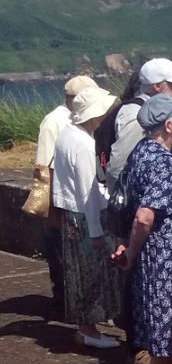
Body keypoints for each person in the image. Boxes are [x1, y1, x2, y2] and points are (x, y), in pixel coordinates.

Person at [113, 94, 172, 364]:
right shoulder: (162, 161)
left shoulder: (141, 150)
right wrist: (131, 253)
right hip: (163, 250)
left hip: (153, 250)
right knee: (167, 316)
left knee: (161, 314)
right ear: (168, 125)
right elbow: (145, 216)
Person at [51, 86, 123, 349]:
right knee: (92, 273)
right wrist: (96, 232)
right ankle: (88, 329)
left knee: (78, 272)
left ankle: (87, 327)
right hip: (84, 217)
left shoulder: (67, 134)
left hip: (72, 215)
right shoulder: (83, 144)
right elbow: (88, 191)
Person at [34, 75, 97, 312]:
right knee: (59, 250)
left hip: (77, 196)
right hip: (61, 197)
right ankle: (64, 300)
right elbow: (44, 166)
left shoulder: (80, 119)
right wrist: (52, 205)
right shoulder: (55, 121)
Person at [105, 58, 172, 190]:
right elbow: (117, 167)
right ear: (157, 86)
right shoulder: (136, 115)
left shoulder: (147, 111)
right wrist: (121, 198)